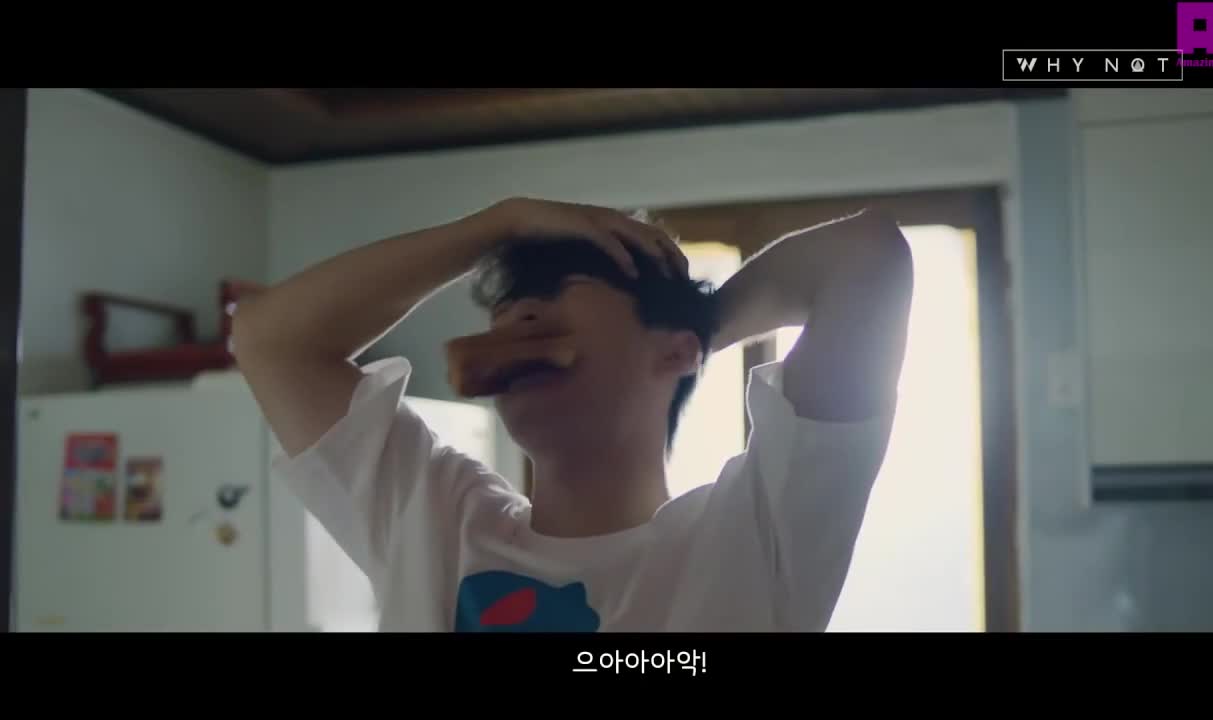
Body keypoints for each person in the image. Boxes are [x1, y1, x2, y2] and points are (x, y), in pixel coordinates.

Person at [231, 196, 914, 632]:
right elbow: (269, 340)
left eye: (563, 290)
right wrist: (496, 225)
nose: (520, 315)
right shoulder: (435, 516)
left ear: (674, 352)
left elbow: (868, 257)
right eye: (508, 308)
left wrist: (689, 331)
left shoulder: (755, 539)